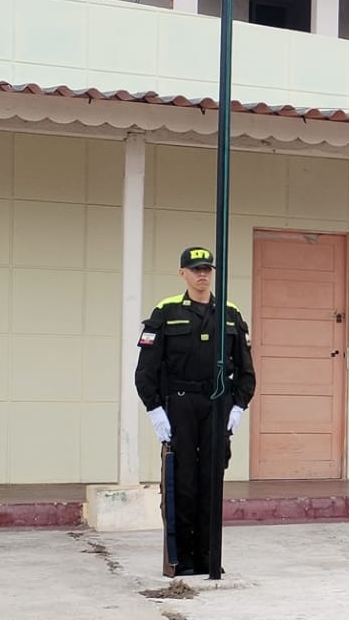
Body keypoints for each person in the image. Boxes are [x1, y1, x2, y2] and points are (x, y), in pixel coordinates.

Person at [134, 245, 256, 576]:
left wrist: (239, 406)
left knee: (211, 480)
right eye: (195, 269)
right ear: (182, 273)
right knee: (183, 480)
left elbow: (246, 368)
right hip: (180, 403)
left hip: (217, 403)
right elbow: (146, 369)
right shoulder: (166, 310)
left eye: (206, 269)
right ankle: (183, 558)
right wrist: (155, 409)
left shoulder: (229, 312)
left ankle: (208, 557)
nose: (202, 275)